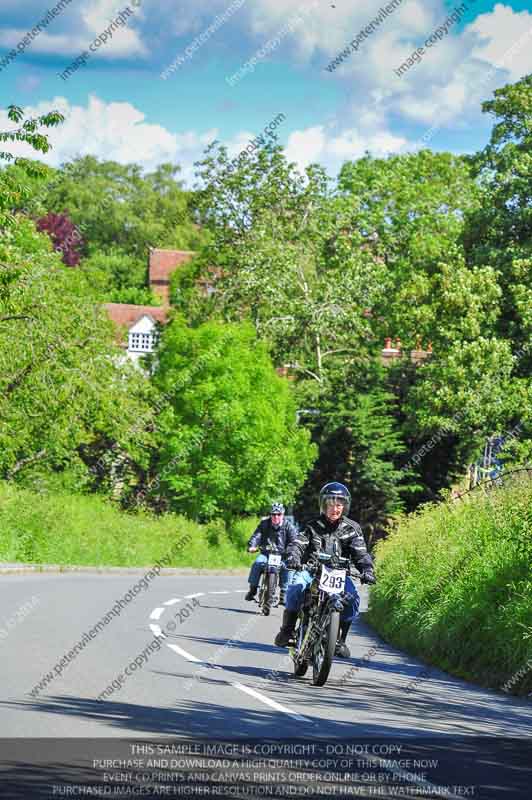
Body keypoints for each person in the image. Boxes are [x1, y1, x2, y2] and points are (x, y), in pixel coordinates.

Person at [274, 482, 376, 658]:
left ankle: (339, 640)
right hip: (311, 570)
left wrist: (368, 570)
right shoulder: (312, 525)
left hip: (339, 574)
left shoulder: (352, 529)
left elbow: (361, 554)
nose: (334, 509)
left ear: (345, 506)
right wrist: (293, 557)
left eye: (339, 504)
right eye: (330, 504)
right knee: (295, 588)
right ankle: (287, 630)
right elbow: (298, 544)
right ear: (323, 505)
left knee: (353, 599)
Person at [246, 503, 298, 605]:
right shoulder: (264, 524)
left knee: (289, 567)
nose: (276, 517)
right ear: (270, 515)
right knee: (258, 562)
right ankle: (253, 589)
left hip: (283, 556)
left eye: (278, 514)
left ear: (283, 515)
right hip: (266, 554)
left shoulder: (289, 526)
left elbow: (294, 541)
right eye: (273, 514)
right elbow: (257, 535)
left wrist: (292, 552)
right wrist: (252, 546)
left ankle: (284, 593)